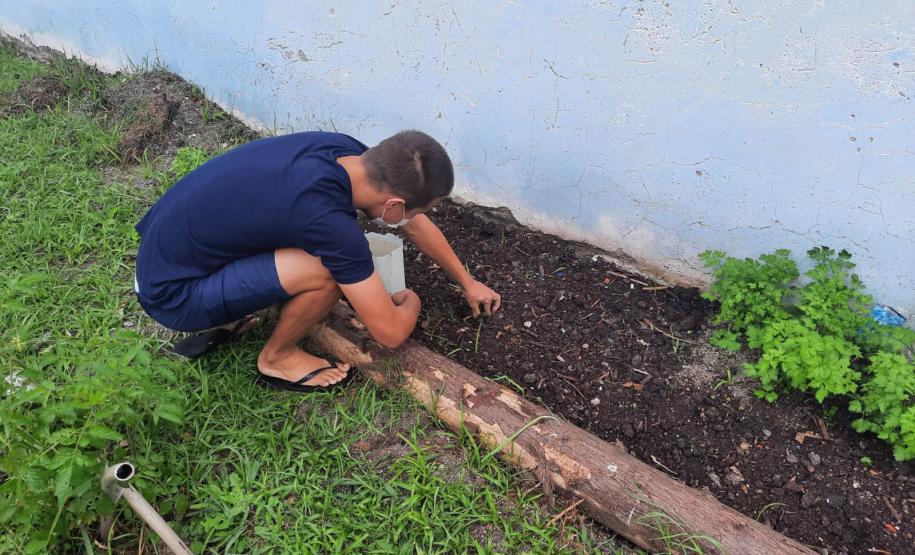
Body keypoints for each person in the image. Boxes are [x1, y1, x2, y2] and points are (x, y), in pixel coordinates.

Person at [134, 130, 501, 392]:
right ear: (393, 206)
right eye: (422, 208)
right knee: (328, 272)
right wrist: (411, 301)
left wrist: (466, 281)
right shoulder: (330, 225)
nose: (417, 218)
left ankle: (232, 311)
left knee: (311, 250)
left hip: (165, 257)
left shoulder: (347, 153)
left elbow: (415, 223)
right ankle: (277, 358)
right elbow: (389, 333)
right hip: (173, 296)